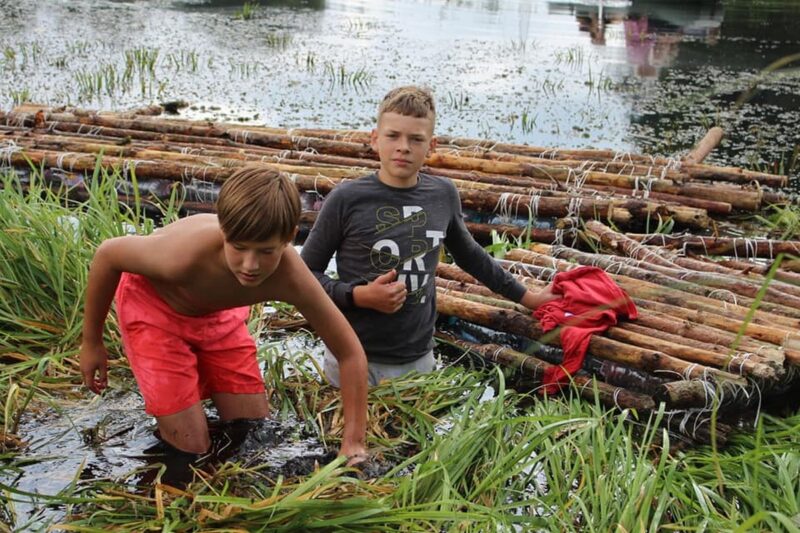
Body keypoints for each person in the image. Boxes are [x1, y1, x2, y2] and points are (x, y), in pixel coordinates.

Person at [79, 167, 368, 462]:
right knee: (191, 447)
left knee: (253, 430)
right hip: (155, 310)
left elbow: (349, 352)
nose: (250, 265)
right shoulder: (181, 256)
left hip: (216, 313)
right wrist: (92, 342)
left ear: (290, 237)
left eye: (266, 251)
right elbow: (108, 255)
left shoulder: (292, 278)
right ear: (223, 231)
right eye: (239, 248)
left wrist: (354, 442)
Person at [301, 86, 558, 387]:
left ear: (431, 145)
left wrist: (528, 297)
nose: (403, 147)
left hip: (417, 358)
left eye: (416, 139)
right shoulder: (347, 199)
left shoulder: (442, 194)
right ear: (375, 139)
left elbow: (471, 256)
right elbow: (305, 275)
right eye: (393, 136)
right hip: (350, 355)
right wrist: (358, 296)